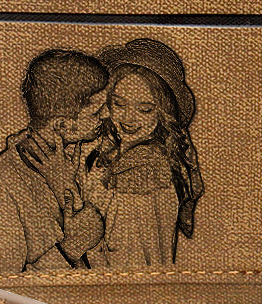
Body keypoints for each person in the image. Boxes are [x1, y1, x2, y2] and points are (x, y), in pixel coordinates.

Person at [0, 49, 110, 274]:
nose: (107, 115)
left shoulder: (73, 165)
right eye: (96, 112)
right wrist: (70, 248)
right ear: (62, 126)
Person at [86, 39, 204, 267]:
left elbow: (129, 261)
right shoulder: (110, 152)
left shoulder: (145, 171)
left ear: (163, 113)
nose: (129, 118)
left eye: (145, 109)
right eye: (119, 104)